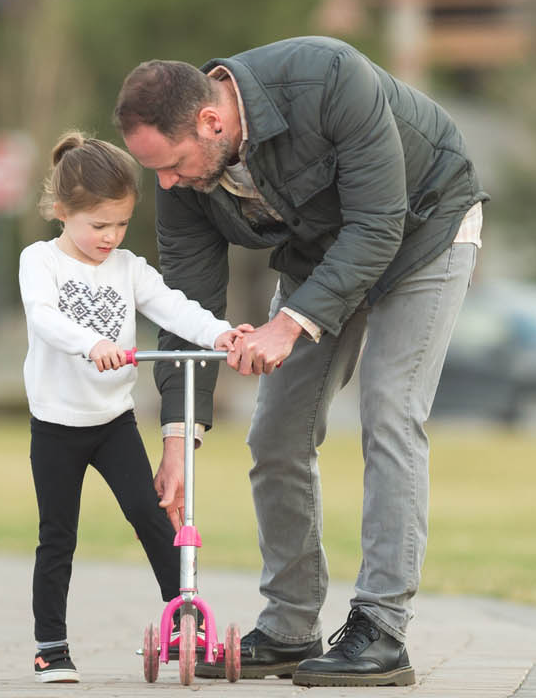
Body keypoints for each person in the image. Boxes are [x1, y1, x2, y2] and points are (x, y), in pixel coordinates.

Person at [114, 36, 487, 687]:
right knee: (276, 432)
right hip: (322, 258)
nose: (166, 183)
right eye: (156, 172)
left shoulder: (326, 76)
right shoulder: (183, 177)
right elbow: (186, 307)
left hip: (425, 227)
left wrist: (288, 324)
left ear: (212, 121)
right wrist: (179, 436)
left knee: (390, 410)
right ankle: (290, 628)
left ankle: (381, 630)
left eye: (171, 164)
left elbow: (378, 224)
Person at [18, 132, 251, 683]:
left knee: (153, 515)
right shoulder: (40, 261)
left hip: (112, 422)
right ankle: (51, 645)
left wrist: (219, 334)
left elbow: (175, 308)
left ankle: (186, 621)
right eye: (98, 225)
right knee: (59, 534)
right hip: (57, 425)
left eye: (120, 224)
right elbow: (44, 317)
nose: (110, 237)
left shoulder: (128, 268)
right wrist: (91, 343)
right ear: (61, 211)